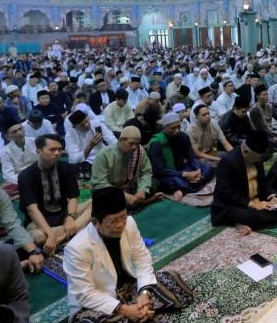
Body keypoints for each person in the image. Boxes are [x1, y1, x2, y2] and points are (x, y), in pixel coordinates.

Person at [63, 187, 194, 322]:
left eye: (123, 217)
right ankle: (138, 314)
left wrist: (143, 294)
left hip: (129, 288)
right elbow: (85, 294)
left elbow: (141, 258)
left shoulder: (129, 224)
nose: (120, 225)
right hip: (100, 300)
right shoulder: (76, 248)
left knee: (172, 278)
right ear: (96, 223)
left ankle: (140, 311)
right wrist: (124, 310)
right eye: (113, 221)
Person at [211, 131, 277, 234]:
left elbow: (263, 182)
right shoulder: (228, 162)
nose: (259, 160)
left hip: (255, 199)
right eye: (257, 157)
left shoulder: (256, 158)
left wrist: (272, 197)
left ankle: (243, 220)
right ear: (246, 151)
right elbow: (226, 194)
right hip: (234, 205)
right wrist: (252, 204)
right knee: (253, 215)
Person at [18, 134, 92, 253]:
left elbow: (73, 197)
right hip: (40, 222)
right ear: (38, 151)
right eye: (52, 149)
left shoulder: (66, 168)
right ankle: (77, 230)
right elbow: (32, 210)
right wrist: (50, 233)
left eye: (59, 149)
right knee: (38, 237)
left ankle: (62, 238)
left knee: (98, 203)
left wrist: (70, 218)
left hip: (64, 214)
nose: (57, 153)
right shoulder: (26, 176)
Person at [149, 112, 215, 203]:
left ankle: (186, 187)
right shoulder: (157, 143)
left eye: (179, 127)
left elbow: (191, 157)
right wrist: (185, 175)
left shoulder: (183, 136)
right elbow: (160, 170)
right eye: (173, 128)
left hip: (183, 168)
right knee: (172, 182)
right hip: (169, 174)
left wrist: (197, 170)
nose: (177, 130)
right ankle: (188, 187)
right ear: (165, 128)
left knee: (208, 168)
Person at [91, 126, 162, 209]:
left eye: (137, 144)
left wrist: (142, 189)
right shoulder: (104, 155)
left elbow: (147, 171)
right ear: (121, 140)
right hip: (112, 191)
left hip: (131, 187)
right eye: (131, 143)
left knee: (155, 182)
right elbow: (99, 183)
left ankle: (134, 203)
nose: (134, 147)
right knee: (103, 198)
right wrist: (124, 195)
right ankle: (136, 203)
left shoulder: (139, 151)